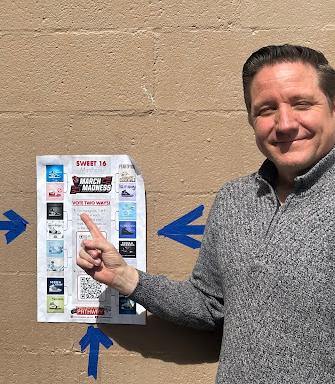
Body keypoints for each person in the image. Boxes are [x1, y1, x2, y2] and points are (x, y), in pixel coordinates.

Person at [77, 44, 335, 382]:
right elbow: (209, 305)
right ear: (252, 121)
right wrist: (125, 278)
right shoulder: (235, 199)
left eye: (301, 104)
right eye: (266, 110)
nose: (284, 123)